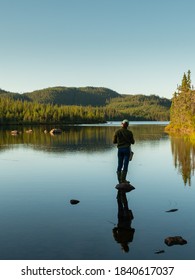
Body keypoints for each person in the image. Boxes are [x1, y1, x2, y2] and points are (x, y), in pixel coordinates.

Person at [113, 119, 135, 183]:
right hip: (127, 150)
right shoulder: (130, 133)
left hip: (120, 150)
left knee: (119, 164)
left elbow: (114, 142)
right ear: (127, 125)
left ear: (121, 124)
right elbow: (133, 142)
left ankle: (119, 180)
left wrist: (119, 141)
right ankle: (123, 180)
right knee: (125, 165)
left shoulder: (117, 132)